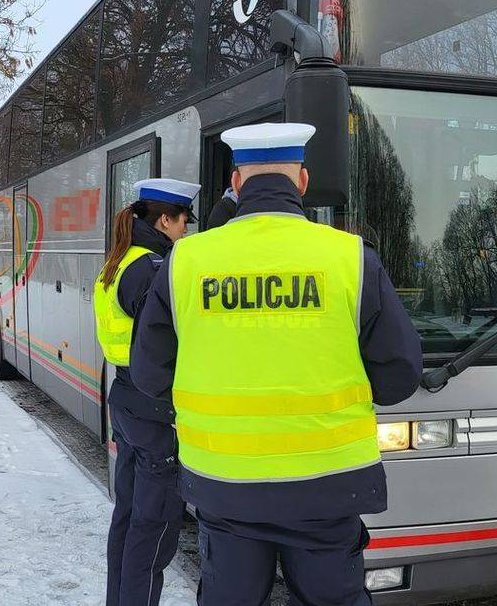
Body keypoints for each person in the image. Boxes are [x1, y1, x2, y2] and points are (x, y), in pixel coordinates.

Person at [130, 123, 422, 605]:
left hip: (224, 486)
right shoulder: (350, 257)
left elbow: (148, 375)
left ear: (237, 184)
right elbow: (399, 375)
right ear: (303, 182)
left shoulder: (185, 261)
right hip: (328, 488)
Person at [96, 178, 201, 606]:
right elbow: (167, 342)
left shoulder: (122, 258)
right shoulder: (151, 269)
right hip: (154, 409)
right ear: (164, 220)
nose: (186, 232)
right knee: (154, 527)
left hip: (126, 400)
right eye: (182, 223)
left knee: (127, 518)